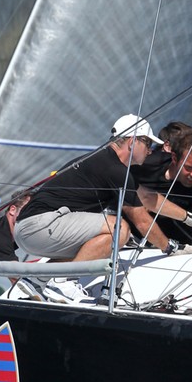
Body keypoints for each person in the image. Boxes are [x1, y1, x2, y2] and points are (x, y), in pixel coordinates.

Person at [12, 114, 176, 303]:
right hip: (41, 225)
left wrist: (188, 217)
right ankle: (64, 280)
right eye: (147, 144)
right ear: (132, 142)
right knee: (119, 229)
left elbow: (147, 197)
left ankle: (38, 280)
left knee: (98, 242)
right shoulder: (115, 169)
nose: (149, 151)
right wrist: (170, 247)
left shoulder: (100, 160)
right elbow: (141, 220)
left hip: (28, 227)